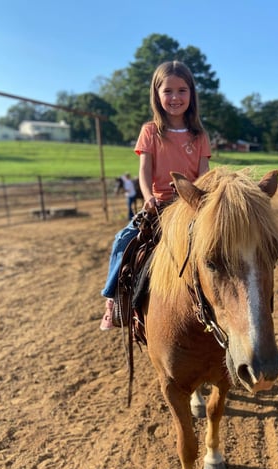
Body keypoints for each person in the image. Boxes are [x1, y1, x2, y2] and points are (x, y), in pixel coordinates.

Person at [99, 60, 212, 330]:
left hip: (189, 205)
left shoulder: (199, 136)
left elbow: (204, 175)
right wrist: (149, 196)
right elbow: (144, 171)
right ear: (157, 94)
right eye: (168, 91)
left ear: (191, 94)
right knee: (123, 239)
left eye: (182, 90)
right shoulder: (150, 131)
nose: (175, 97)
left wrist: (202, 201)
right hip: (158, 204)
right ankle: (113, 301)